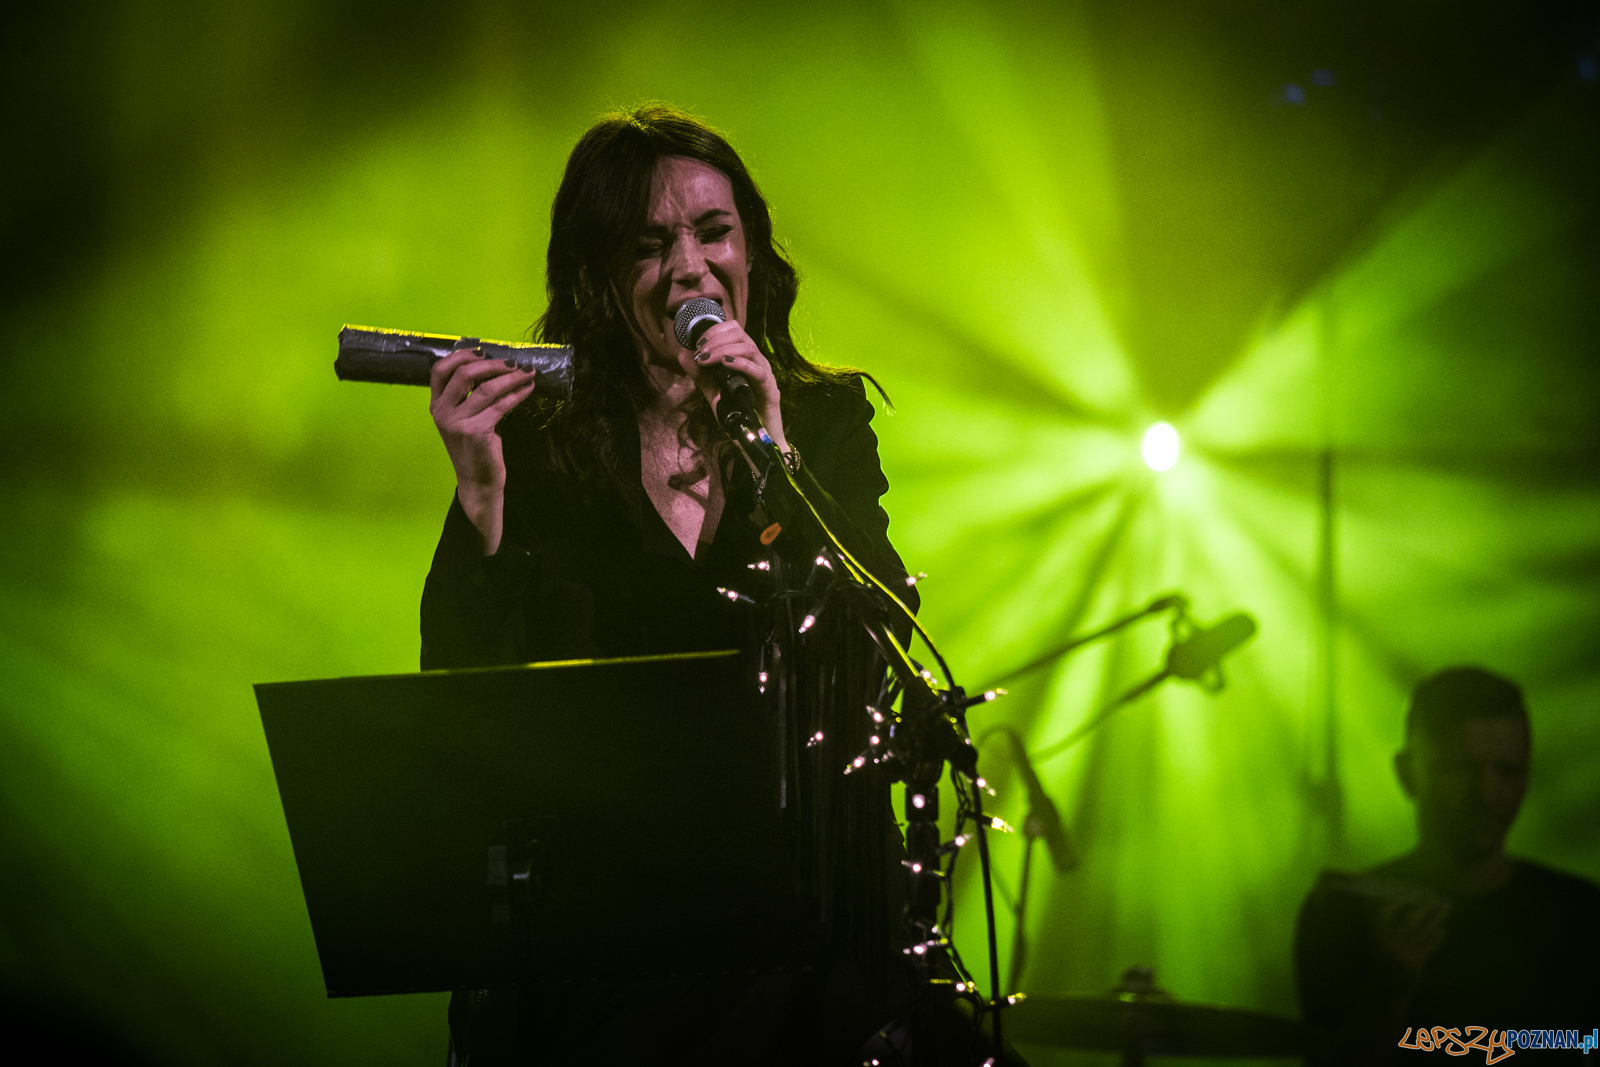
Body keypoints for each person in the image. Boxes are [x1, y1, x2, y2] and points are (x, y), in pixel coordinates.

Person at [419, 107, 923, 1065]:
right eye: (650, 246)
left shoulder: (819, 416)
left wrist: (774, 448)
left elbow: (885, 627)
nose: (690, 267)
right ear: (601, 280)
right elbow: (462, 681)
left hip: (807, 909)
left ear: (751, 249)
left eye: (713, 232)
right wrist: (482, 493)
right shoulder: (539, 443)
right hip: (620, 930)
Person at [1294, 667, 1600, 1065]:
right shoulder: (1341, 914)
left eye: (1506, 771)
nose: (1486, 792)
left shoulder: (1581, 914)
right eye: (1458, 768)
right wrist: (1387, 994)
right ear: (1407, 774)